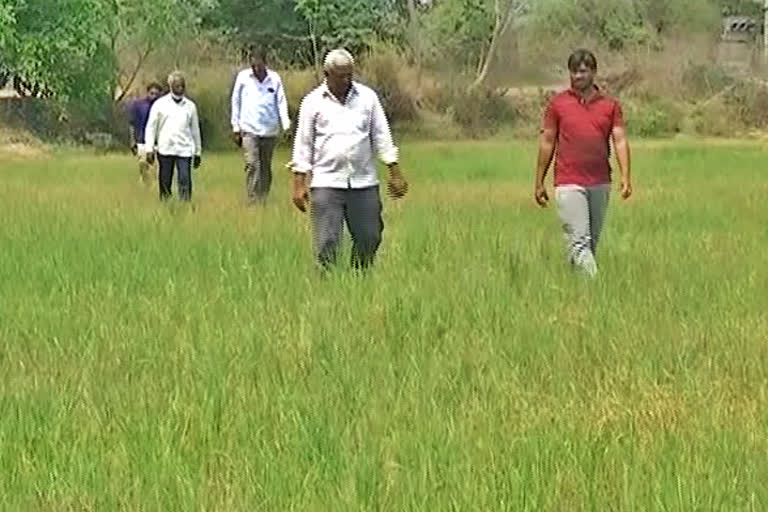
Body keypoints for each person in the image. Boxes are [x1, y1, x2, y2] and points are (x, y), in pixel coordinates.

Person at [290, 48, 409, 270]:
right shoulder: (313, 102)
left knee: (370, 237)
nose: (346, 80)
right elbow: (303, 144)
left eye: (349, 75)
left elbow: (381, 134)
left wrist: (394, 171)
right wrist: (299, 183)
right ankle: (327, 288)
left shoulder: (367, 98)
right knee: (327, 242)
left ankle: (359, 279)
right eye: (340, 76)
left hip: (363, 182)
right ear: (327, 74)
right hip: (327, 183)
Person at [534, 49, 632, 277]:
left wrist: (626, 176)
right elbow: (547, 141)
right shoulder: (558, 105)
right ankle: (599, 290)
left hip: (600, 182)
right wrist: (539, 181)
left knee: (588, 245)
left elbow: (619, 140)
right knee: (580, 243)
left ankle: (577, 294)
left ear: (593, 73)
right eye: (574, 72)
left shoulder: (610, 106)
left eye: (583, 71)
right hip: (569, 182)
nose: (578, 76)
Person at [231, 46, 291, 204]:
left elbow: (281, 102)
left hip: (269, 130)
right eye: (253, 65)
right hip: (249, 129)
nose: (256, 68)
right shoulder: (243, 78)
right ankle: (252, 199)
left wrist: (286, 125)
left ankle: (263, 198)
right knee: (252, 164)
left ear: (265, 63)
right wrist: (236, 128)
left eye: (259, 65)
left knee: (265, 167)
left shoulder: (275, 79)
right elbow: (235, 102)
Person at [144, 71, 202, 202]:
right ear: (170, 86)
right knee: (165, 181)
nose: (180, 89)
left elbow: (195, 130)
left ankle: (185, 205)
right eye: (177, 86)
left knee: (184, 180)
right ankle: (165, 205)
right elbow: (151, 127)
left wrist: (198, 152)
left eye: (182, 86)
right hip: (165, 148)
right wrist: (149, 148)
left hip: (184, 150)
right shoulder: (160, 104)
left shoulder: (190, 106)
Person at [126, 82, 163, 184]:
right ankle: (146, 183)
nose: (153, 96)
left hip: (159, 141)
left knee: (157, 168)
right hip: (142, 140)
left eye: (156, 94)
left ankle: (156, 186)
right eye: (152, 93)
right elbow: (132, 124)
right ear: (147, 93)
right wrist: (132, 140)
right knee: (143, 163)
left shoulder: (163, 107)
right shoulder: (139, 105)